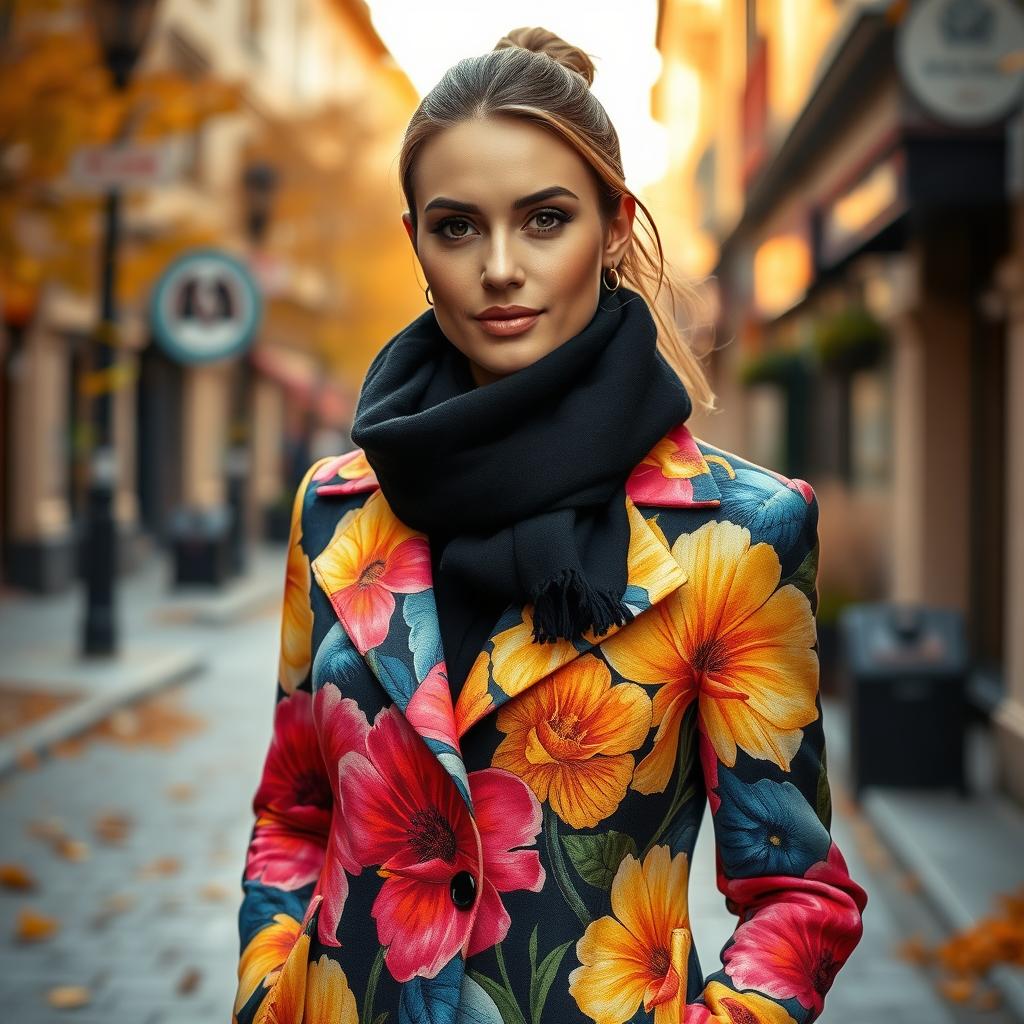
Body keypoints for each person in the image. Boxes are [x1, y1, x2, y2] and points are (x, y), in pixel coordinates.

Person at [232, 27, 868, 1024]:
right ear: (415, 243)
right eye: (456, 227)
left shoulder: (738, 534)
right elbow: (293, 812)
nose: (498, 267)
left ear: (614, 226)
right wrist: (269, 988)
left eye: (543, 220)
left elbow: (796, 892)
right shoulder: (337, 507)